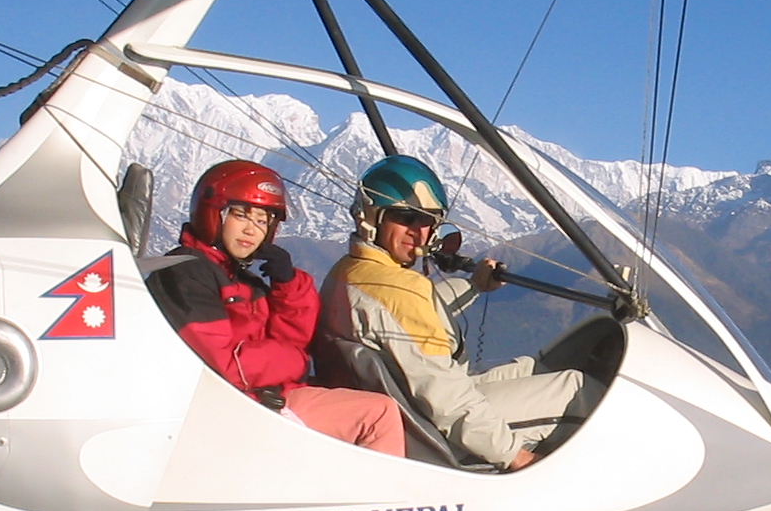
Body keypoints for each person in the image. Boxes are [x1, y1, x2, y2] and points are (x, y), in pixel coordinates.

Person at [317, 155, 601, 471]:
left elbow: (410, 314)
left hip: (409, 411)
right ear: (371, 218)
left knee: (534, 368)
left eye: (428, 220)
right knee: (578, 389)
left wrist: (473, 286)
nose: (419, 232)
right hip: (430, 432)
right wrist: (515, 456)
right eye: (404, 217)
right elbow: (444, 395)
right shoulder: (397, 288)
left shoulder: (351, 272)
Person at [147, 160, 403, 456]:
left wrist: (288, 284)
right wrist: (294, 360)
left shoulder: (240, 277)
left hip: (261, 397)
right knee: (378, 416)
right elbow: (228, 368)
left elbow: (294, 338)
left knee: (374, 404)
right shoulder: (187, 274)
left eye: (262, 221)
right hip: (232, 408)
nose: (251, 230)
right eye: (241, 215)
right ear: (214, 215)